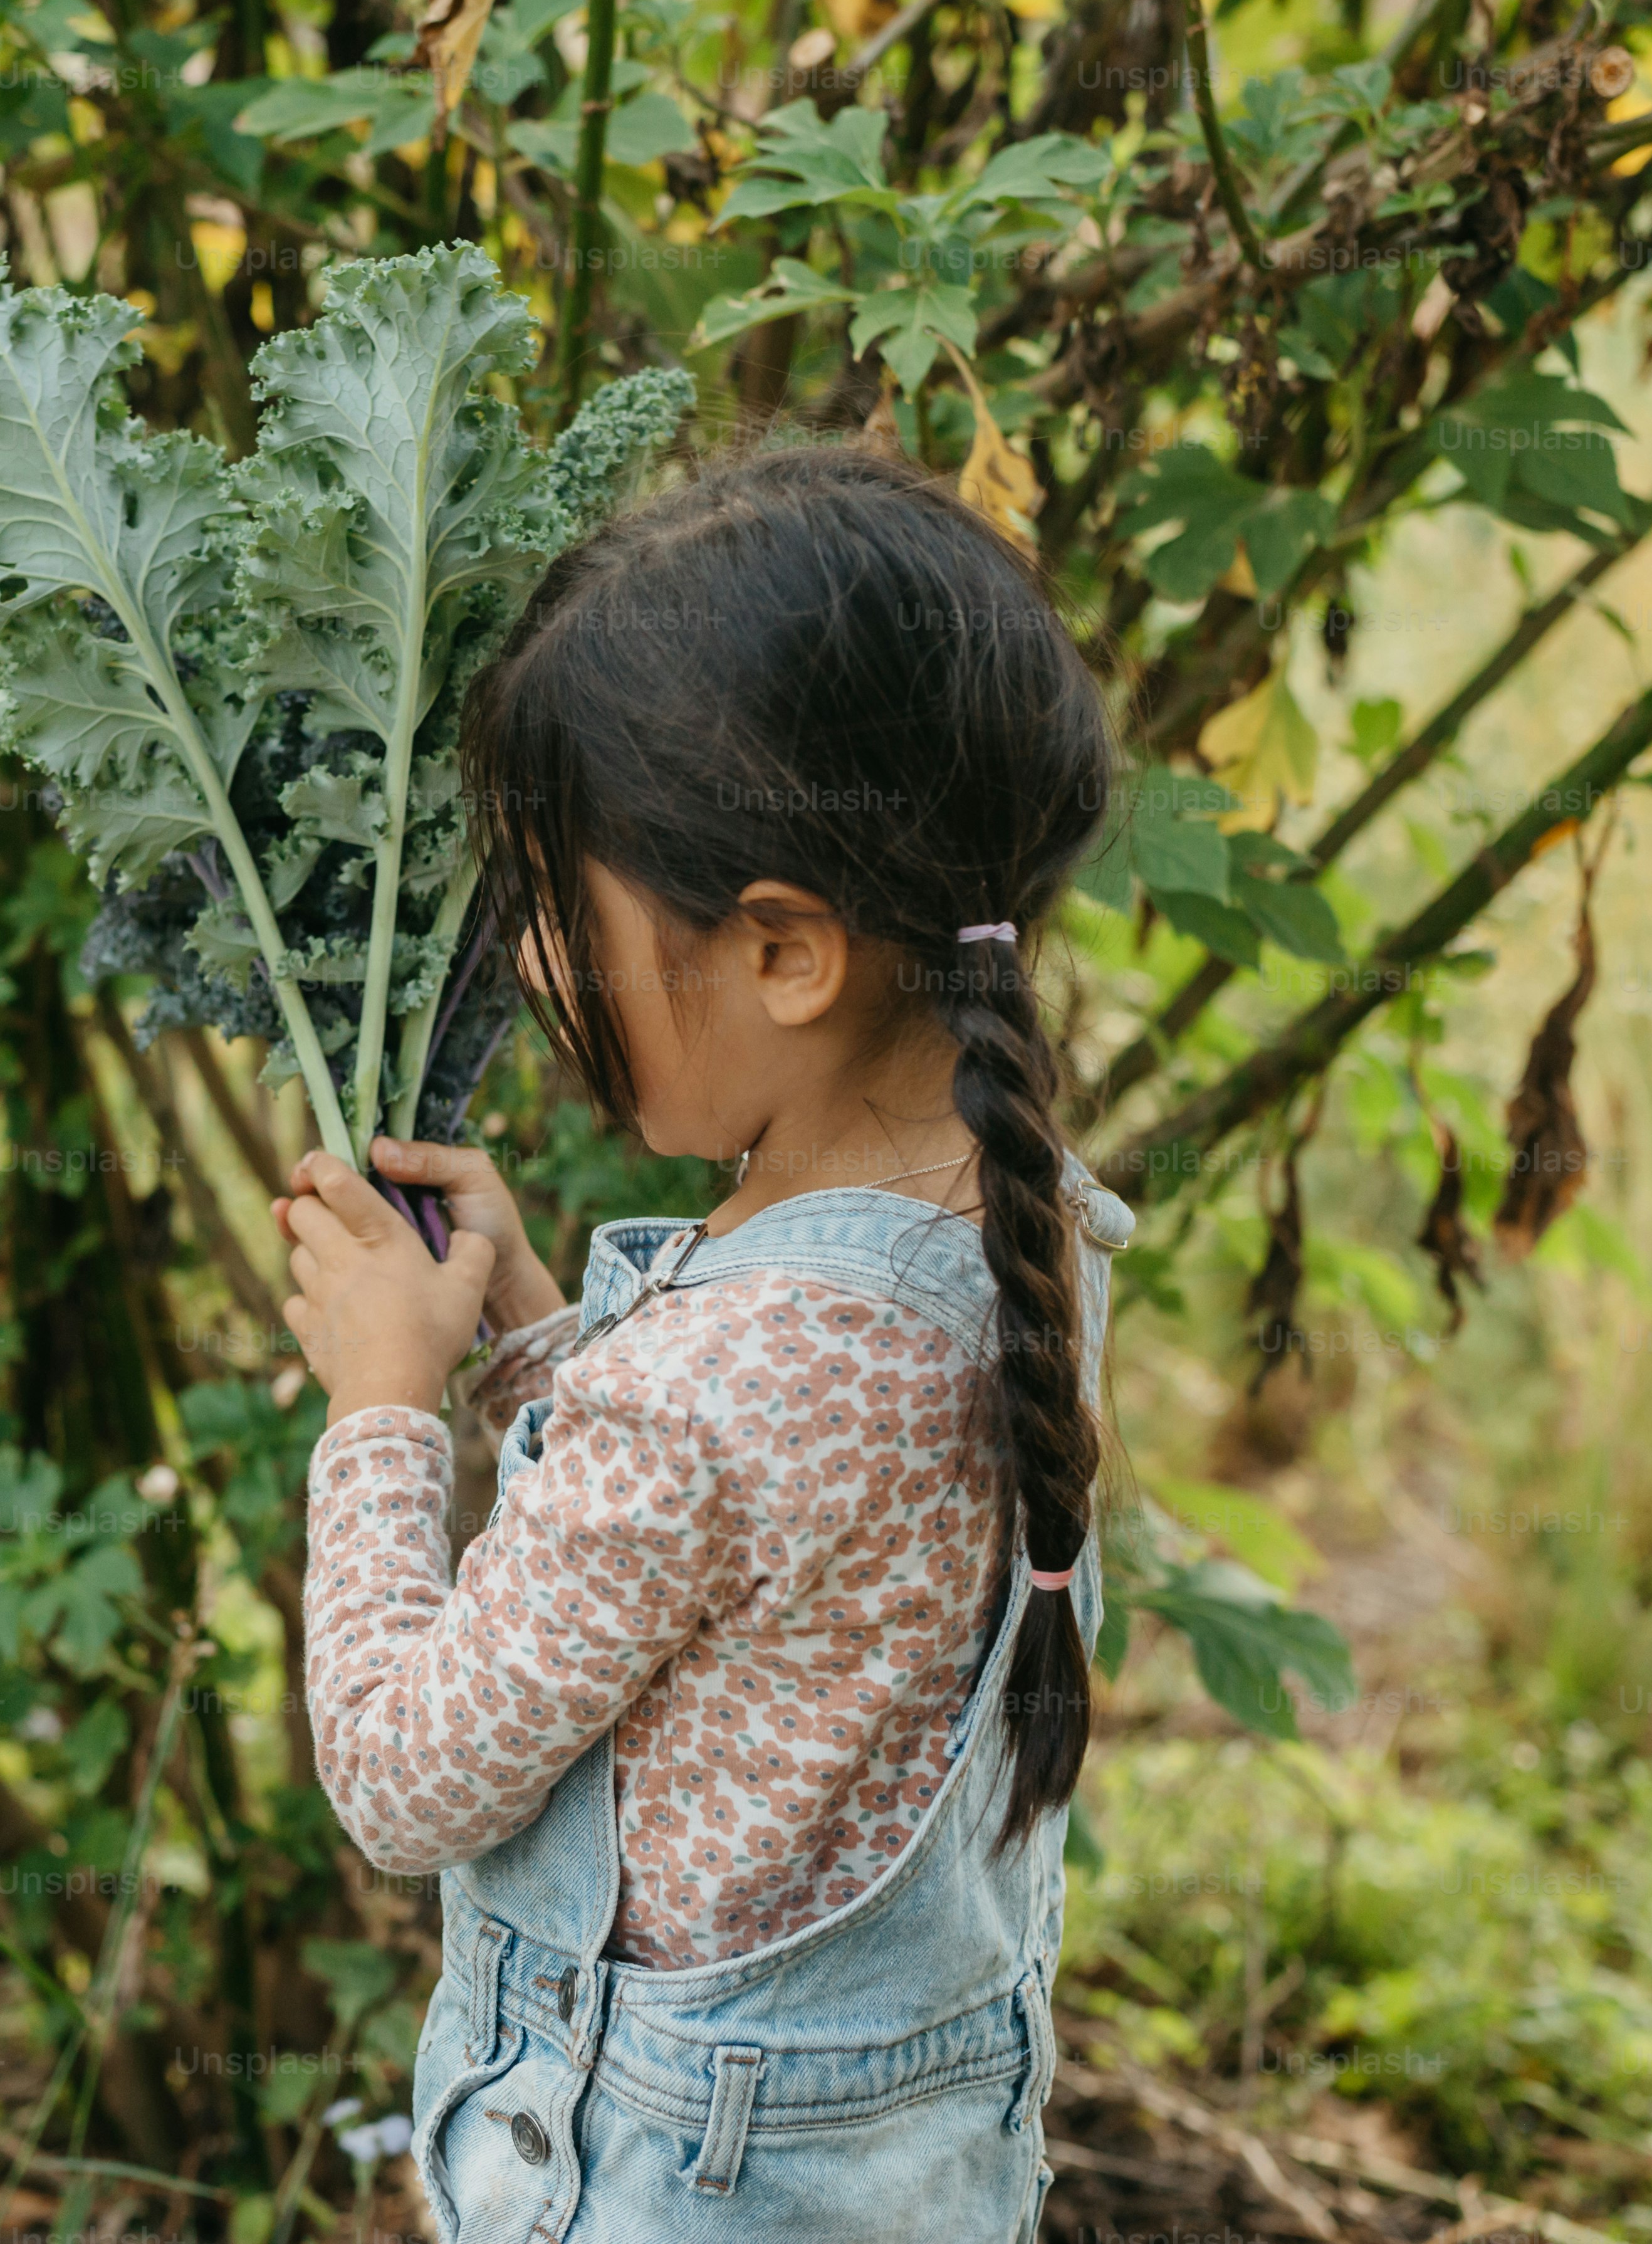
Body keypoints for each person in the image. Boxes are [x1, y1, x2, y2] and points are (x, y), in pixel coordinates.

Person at [275, 441, 1136, 2241]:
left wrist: (381, 1407)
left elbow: (403, 1773)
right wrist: (531, 1335)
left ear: (787, 957)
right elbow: (739, 1584)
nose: (526, 967)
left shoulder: (717, 1393)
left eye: (562, 914)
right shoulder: (1024, 1223)